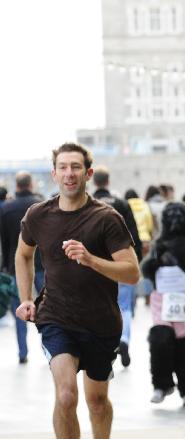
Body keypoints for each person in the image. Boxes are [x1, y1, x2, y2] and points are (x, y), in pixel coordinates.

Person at [15, 142, 140, 439]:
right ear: (54, 174)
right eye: (63, 167)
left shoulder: (107, 218)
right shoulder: (38, 215)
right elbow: (22, 255)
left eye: (76, 167)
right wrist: (25, 298)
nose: (69, 173)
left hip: (101, 322)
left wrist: (91, 259)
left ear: (88, 174)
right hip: (56, 317)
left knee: (96, 402)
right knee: (66, 396)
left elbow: (132, 273)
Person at [140, 202, 185, 406]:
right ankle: (161, 385)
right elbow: (147, 270)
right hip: (164, 303)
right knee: (160, 339)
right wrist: (157, 262)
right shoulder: (159, 244)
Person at [92, 166, 143, 368]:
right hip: (121, 263)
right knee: (124, 306)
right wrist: (135, 260)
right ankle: (124, 339)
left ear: (94, 181)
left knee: (98, 306)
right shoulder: (121, 203)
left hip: (94, 265)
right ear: (108, 181)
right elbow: (133, 235)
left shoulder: (87, 204)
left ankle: (103, 345)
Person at [0, 171, 44, 363]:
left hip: (15, 264)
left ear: (17, 186)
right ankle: (49, 349)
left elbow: (3, 240)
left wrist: (5, 265)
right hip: (42, 263)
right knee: (48, 305)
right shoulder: (41, 204)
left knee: (20, 308)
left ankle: (23, 352)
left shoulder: (6, 209)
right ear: (31, 184)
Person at [124, 189, 154, 257]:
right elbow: (150, 224)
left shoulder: (125, 206)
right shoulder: (145, 205)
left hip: (131, 240)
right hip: (144, 239)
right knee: (144, 264)